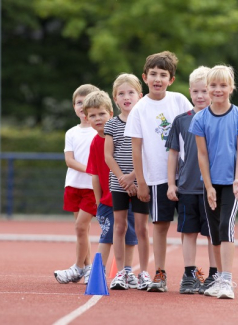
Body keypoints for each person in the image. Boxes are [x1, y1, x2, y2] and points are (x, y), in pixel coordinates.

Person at [124, 51, 192, 292]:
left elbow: (194, 136)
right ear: (144, 77)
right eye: (153, 74)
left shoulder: (180, 101)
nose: (157, 78)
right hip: (157, 178)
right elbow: (136, 148)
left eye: (163, 75)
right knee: (160, 225)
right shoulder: (139, 109)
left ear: (171, 79)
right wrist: (141, 181)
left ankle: (190, 273)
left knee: (188, 227)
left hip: (185, 177)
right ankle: (160, 273)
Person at [189, 65, 238, 299]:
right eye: (213, 86)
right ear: (207, 89)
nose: (218, 90)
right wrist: (207, 187)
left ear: (231, 88)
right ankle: (217, 279)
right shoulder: (200, 118)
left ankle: (226, 280)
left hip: (231, 183)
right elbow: (202, 155)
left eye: (223, 85)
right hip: (210, 184)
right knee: (215, 233)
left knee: (226, 227)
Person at [165, 66, 217, 294]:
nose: (200, 96)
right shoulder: (181, 121)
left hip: (212, 189)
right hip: (186, 187)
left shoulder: (219, 118)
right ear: (189, 92)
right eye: (195, 91)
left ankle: (215, 274)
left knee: (213, 233)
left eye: (204, 91)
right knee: (188, 232)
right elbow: (173, 154)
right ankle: (189, 273)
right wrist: (171, 183)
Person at [84, 90, 139, 288]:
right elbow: (96, 175)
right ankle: (97, 272)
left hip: (129, 193)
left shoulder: (124, 132)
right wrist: (98, 202)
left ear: (110, 113)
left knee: (130, 235)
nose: (98, 119)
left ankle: (127, 271)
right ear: (86, 118)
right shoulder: (94, 143)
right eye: (92, 115)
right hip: (107, 200)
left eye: (102, 114)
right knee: (106, 236)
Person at [105, 73, 152, 290]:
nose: (126, 97)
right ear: (115, 99)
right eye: (121, 94)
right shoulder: (112, 125)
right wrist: (123, 180)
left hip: (141, 182)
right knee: (120, 226)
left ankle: (143, 272)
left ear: (140, 96)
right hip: (119, 185)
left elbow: (148, 152)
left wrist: (134, 177)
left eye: (131, 92)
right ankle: (122, 272)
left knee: (142, 228)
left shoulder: (145, 122)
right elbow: (108, 155)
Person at [54, 84, 99, 285]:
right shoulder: (71, 132)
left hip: (92, 188)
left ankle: (78, 267)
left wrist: (94, 173)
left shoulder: (100, 130)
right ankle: (87, 268)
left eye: (87, 102)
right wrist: (89, 169)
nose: (83, 106)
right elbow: (69, 160)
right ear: (74, 106)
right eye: (79, 102)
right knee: (82, 229)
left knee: (81, 226)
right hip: (74, 186)